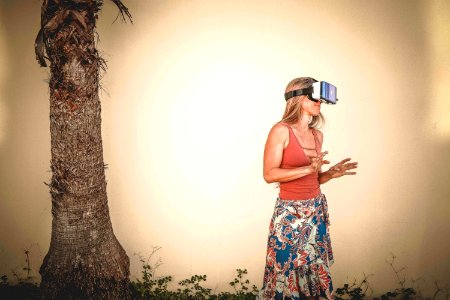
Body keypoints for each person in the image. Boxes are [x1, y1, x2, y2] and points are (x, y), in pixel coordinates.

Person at [257, 77, 358, 300]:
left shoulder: (317, 135)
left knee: (313, 266)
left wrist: (330, 174)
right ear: (298, 98)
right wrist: (307, 168)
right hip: (290, 215)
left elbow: (313, 178)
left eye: (321, 98)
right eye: (314, 96)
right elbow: (269, 174)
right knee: (287, 268)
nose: (319, 102)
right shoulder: (281, 131)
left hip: (315, 210)